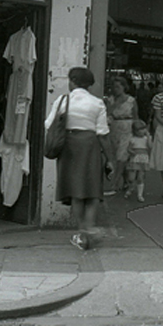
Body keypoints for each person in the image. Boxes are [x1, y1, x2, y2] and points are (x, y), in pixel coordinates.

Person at [44, 67, 113, 250]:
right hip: (90, 146)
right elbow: (103, 134)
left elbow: (49, 124)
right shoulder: (97, 103)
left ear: (72, 81)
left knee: (75, 191)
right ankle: (88, 229)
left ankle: (82, 231)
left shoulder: (63, 100)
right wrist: (110, 159)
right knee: (92, 191)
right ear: (89, 85)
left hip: (69, 147)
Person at [105, 76, 137, 196]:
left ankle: (115, 183)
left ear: (124, 87)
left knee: (121, 157)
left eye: (118, 87)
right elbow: (107, 113)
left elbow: (135, 117)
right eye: (114, 87)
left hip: (127, 128)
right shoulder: (110, 100)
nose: (116, 89)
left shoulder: (131, 100)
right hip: (114, 128)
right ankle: (126, 182)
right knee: (115, 155)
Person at [126, 120, 152, 201]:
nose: (142, 131)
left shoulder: (146, 138)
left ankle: (140, 194)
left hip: (143, 158)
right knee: (131, 177)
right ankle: (131, 187)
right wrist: (131, 152)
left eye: (143, 129)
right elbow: (128, 148)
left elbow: (150, 147)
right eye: (139, 130)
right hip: (134, 158)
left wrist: (148, 137)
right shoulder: (132, 139)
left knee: (140, 177)